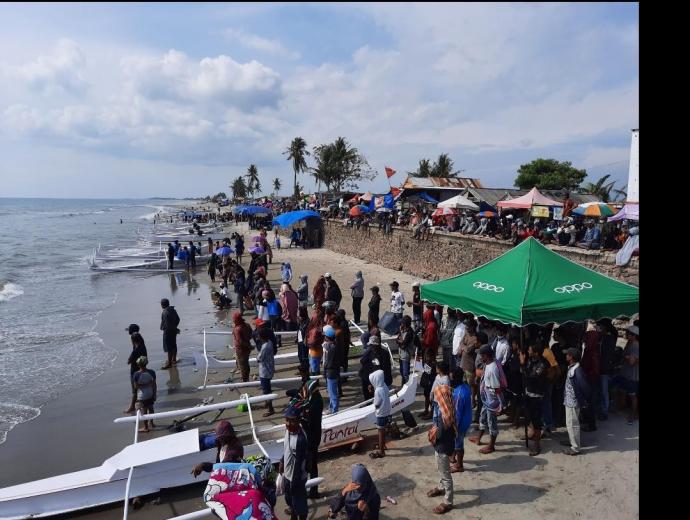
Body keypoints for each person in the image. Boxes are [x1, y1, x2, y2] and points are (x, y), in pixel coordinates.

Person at [426, 383, 457, 515]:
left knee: (446, 475)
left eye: (437, 396)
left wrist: (432, 433)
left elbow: (439, 435)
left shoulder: (443, 415)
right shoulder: (449, 408)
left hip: (442, 448)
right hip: (448, 446)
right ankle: (441, 487)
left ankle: (448, 501)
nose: (436, 398)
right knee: (442, 469)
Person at [469, 344, 504, 454]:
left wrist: (498, 406)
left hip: (491, 401)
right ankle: (478, 438)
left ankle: (491, 446)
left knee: (491, 423)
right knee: (483, 418)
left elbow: (496, 389)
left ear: (486, 356)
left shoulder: (492, 369)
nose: (480, 358)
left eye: (481, 355)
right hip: (486, 399)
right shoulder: (488, 364)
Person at [280, 406, 309, 520]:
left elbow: (298, 464)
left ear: (298, 421)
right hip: (288, 475)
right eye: (287, 420)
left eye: (291, 420)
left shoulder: (301, 439)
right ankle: (293, 515)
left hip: (297, 478)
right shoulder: (288, 431)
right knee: (290, 499)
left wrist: (295, 482)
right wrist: (282, 461)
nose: (288, 423)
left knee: (300, 503)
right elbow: (287, 449)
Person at [520, 342, 549, 456]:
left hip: (537, 395)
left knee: (537, 420)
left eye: (530, 350)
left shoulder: (543, 364)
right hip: (528, 393)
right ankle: (531, 434)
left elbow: (532, 377)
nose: (528, 351)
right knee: (529, 416)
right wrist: (523, 364)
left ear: (536, 352)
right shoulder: (530, 361)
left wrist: (523, 364)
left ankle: (537, 444)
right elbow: (524, 373)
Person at [561, 348, 590, 456]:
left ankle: (575, 448)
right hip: (569, 400)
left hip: (573, 401)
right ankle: (572, 441)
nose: (566, 356)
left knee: (573, 424)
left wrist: (584, 399)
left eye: (567, 354)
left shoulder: (577, 370)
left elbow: (584, 386)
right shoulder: (572, 368)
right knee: (570, 423)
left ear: (571, 357)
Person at [450, 368, 472, 473]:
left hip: (461, 423)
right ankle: (453, 457)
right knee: (457, 441)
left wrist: (454, 427)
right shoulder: (466, 386)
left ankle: (459, 465)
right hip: (467, 418)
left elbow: (457, 414)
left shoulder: (459, 394)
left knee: (459, 443)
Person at [597, 318, 618, 421]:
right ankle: (601, 409)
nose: (598, 328)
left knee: (604, 391)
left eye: (599, 326)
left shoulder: (608, 338)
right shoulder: (602, 337)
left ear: (604, 327)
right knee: (602, 390)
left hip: (604, 369)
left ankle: (604, 411)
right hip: (600, 368)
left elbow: (607, 355)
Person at [368, 369, 391, 459]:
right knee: (383, 430)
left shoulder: (377, 391)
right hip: (386, 411)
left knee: (380, 432)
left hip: (380, 413)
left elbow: (377, 404)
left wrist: (373, 398)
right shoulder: (384, 386)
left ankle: (381, 452)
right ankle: (382, 445)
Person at [619, 325, 639, 425]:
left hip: (632, 375)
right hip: (626, 373)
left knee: (632, 395)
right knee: (623, 391)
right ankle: (622, 407)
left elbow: (632, 362)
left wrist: (625, 357)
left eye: (628, 333)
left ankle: (633, 415)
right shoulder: (629, 343)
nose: (626, 335)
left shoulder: (635, 346)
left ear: (633, 335)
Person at [124, 326, 147, 414]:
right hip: (143, 369)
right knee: (141, 387)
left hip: (135, 371)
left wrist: (131, 357)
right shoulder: (143, 347)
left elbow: (128, 361)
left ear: (134, 341)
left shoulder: (135, 350)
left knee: (134, 389)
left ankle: (132, 407)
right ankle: (139, 401)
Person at [132, 356, 156, 433]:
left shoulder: (136, 374)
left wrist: (145, 385)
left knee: (144, 411)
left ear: (138, 364)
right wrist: (154, 394)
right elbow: (154, 384)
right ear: (146, 363)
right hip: (150, 393)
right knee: (151, 408)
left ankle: (146, 427)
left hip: (142, 396)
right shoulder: (152, 372)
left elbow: (136, 386)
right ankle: (151, 423)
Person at [257, 327, 276, 417]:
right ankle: (267, 403)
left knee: (266, 390)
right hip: (269, 368)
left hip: (265, 371)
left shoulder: (265, 347)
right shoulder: (270, 342)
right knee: (267, 388)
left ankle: (270, 409)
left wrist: (257, 357)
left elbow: (259, 358)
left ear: (262, 337)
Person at [323, 324, 340, 414]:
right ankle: (331, 407)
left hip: (330, 372)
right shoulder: (335, 346)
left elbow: (326, 362)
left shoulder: (329, 348)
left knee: (333, 394)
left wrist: (324, 371)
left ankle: (334, 411)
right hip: (335, 371)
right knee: (331, 392)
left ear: (327, 338)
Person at [232, 311, 252, 382]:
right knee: (246, 363)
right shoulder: (247, 325)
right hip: (247, 348)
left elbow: (240, 341)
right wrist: (249, 346)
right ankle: (246, 377)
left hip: (241, 350)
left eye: (234, 319)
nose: (233, 320)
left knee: (242, 365)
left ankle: (245, 380)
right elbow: (250, 335)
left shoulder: (237, 329)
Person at [160, 298, 180, 370]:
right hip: (173, 331)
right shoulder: (173, 310)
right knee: (173, 345)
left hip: (168, 332)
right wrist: (175, 327)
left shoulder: (165, 312)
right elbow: (178, 319)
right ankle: (173, 359)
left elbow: (167, 324)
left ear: (162, 305)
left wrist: (173, 328)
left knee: (169, 348)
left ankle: (169, 364)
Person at [396, 315, 415, 385]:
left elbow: (403, 345)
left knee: (405, 373)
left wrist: (399, 341)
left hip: (406, 356)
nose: (401, 324)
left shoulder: (410, 333)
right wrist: (399, 341)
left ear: (405, 324)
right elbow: (398, 340)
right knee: (401, 371)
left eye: (402, 323)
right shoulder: (402, 330)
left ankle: (407, 386)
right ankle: (403, 384)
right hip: (401, 354)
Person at [419, 347, 437, 420]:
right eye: (426, 356)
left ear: (432, 356)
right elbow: (426, 372)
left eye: (428, 356)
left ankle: (431, 413)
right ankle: (426, 410)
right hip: (427, 384)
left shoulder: (434, 364)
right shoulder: (426, 363)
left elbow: (433, 376)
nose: (427, 358)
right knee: (426, 397)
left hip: (431, 385)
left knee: (431, 399)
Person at [306, 310, 324, 375]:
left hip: (314, 351)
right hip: (318, 350)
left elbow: (311, 341)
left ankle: (315, 379)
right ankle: (316, 377)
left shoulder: (312, 328)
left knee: (314, 368)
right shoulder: (320, 327)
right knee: (316, 366)